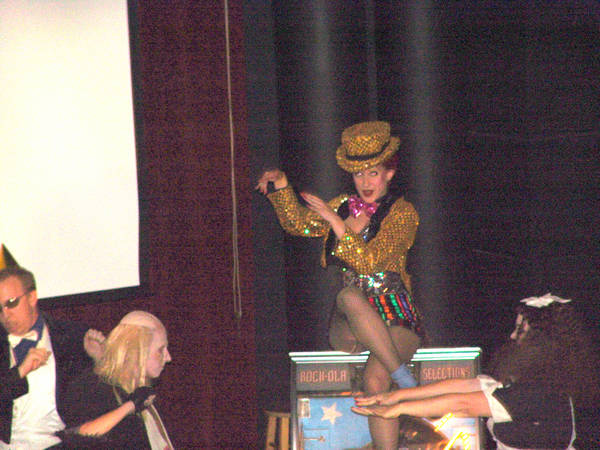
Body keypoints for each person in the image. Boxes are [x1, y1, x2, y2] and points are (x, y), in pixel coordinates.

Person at [257, 121, 425, 449]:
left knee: (375, 381)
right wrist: (282, 186)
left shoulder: (403, 213)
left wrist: (336, 223)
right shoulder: (344, 204)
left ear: (389, 173)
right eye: (358, 174)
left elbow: (370, 262)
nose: (365, 182)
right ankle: (408, 383)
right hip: (351, 320)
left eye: (373, 173)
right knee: (348, 295)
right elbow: (299, 225)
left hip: (394, 311)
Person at [352, 293, 600, 449]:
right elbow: (464, 385)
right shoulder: (527, 385)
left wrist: (397, 409)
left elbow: (464, 404)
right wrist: (393, 396)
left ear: (541, 343)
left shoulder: (539, 393)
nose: (512, 337)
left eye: (520, 331)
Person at [0, 266, 104, 449]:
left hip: (55, 444)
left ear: (32, 297)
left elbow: (94, 400)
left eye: (11, 303)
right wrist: (19, 372)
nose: (5, 314)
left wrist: (99, 361)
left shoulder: (70, 336)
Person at [60, 310, 174, 449]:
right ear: (137, 350)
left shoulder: (143, 395)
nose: (168, 357)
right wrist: (130, 406)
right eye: (160, 350)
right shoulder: (91, 387)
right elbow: (79, 436)